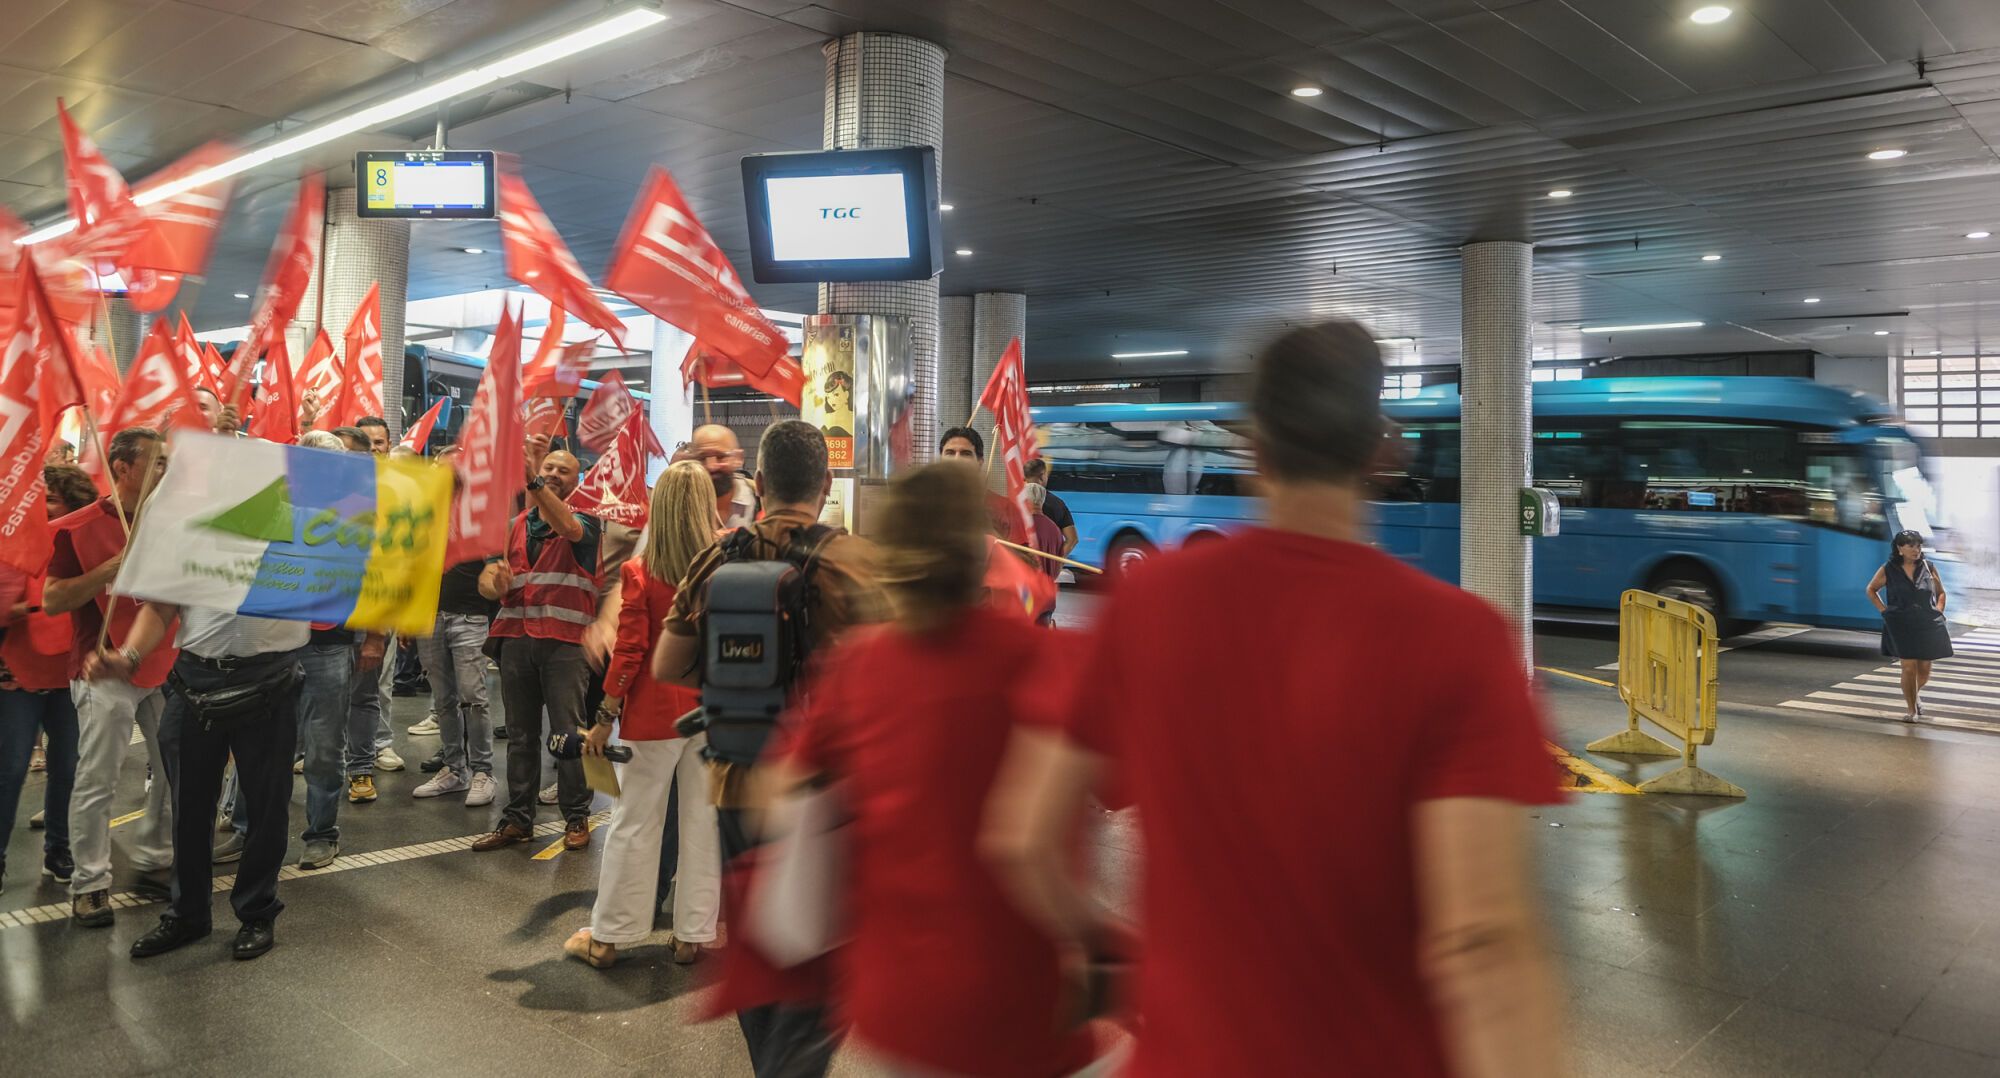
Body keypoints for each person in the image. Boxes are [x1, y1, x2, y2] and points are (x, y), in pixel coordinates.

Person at [985, 321, 1567, 1078]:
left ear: (1255, 451)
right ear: (1381, 452)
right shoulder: (1461, 640)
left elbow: (1021, 839)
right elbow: (1483, 938)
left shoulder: (1152, 602)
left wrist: (1112, 950)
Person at [755, 462, 1100, 1077]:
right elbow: (1035, 841)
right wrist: (1102, 943)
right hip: (1026, 999)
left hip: (902, 998)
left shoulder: (859, 667)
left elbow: (776, 793)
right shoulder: (1051, 660)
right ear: (980, 550)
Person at [650, 420, 885, 1076]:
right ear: (826, 485)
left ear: (759, 483)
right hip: (825, 789)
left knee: (755, 943)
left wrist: (738, 676)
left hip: (736, 781)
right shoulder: (856, 562)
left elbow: (669, 665)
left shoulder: (717, 557)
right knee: (820, 956)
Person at [89, 599, 308, 962]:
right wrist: (129, 656)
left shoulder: (296, 541)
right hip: (193, 675)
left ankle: (257, 911)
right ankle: (188, 914)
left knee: (267, 805)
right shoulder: (189, 540)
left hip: (271, 676)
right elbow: (162, 604)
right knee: (188, 806)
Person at [564, 461, 720, 969]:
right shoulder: (726, 567)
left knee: (634, 822)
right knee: (703, 821)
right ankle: (691, 934)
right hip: (711, 714)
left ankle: (608, 936)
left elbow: (629, 651)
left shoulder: (640, 572)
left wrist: (606, 712)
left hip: (652, 717)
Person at [45, 427, 176, 927]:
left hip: (164, 662)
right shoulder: (76, 528)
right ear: (122, 468)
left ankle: (154, 858)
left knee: (171, 772)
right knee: (98, 778)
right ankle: (91, 882)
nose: (165, 471)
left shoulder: (171, 523)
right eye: (156, 462)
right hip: (101, 669)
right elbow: (53, 599)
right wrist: (110, 569)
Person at [472, 439, 603, 853]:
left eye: (562, 471)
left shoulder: (586, 520)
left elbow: (567, 527)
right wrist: (493, 582)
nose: (552, 475)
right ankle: (518, 820)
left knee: (569, 735)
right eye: (547, 468)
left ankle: (577, 817)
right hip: (516, 641)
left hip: (565, 644)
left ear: (577, 481)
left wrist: (530, 479)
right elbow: (489, 586)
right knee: (520, 736)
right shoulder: (517, 524)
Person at [0, 465, 98, 894]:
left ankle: (59, 849)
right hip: (16, 678)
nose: (42, 508)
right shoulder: (10, 543)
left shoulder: (80, 545)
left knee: (69, 769)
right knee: (9, 772)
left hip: (68, 674)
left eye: (52, 500)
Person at [412, 449, 501, 807]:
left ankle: (482, 771)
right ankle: (454, 769)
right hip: (430, 614)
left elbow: (496, 567)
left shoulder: (484, 514)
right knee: (443, 699)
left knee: (473, 697)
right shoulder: (424, 512)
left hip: (470, 615)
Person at [1868, 530, 1953, 721]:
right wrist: (1884, 611)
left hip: (1926, 623)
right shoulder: (1888, 569)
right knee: (1908, 667)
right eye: (1911, 546)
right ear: (1900, 549)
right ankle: (1911, 710)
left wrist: (1939, 609)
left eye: (1918, 546)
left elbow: (1941, 592)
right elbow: (1871, 589)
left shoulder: (1928, 567)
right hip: (1901, 623)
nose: (1916, 550)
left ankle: (1915, 694)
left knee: (1924, 671)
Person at [937, 426, 1022, 543]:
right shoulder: (923, 506)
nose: (957, 460)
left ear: (980, 461)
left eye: (965, 453)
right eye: (950, 453)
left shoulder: (1006, 509)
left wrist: (990, 533)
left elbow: (1023, 558)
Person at [688, 423, 759, 529]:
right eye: (702, 458)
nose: (711, 466)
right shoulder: (681, 504)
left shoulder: (760, 500)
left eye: (721, 457)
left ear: (738, 458)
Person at [1024, 458, 1077, 555]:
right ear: (1042, 476)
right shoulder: (1057, 503)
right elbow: (1072, 539)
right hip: (1047, 566)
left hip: (1021, 566)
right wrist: (1057, 562)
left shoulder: (1014, 501)